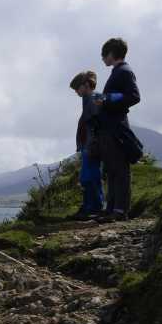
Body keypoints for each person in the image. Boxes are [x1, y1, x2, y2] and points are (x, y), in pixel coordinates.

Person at [94, 37, 141, 221]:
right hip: (110, 128)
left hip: (117, 128)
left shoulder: (124, 71)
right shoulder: (118, 71)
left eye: (103, 54)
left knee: (120, 170)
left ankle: (120, 211)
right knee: (112, 169)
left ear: (112, 54)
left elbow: (134, 96)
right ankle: (112, 208)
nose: (102, 58)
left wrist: (108, 99)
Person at [70, 70, 104, 219]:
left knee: (90, 177)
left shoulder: (94, 99)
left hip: (92, 145)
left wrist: (93, 144)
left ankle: (93, 208)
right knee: (86, 177)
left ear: (85, 85)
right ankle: (88, 206)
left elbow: (97, 124)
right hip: (88, 144)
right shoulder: (89, 99)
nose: (77, 92)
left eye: (78, 88)